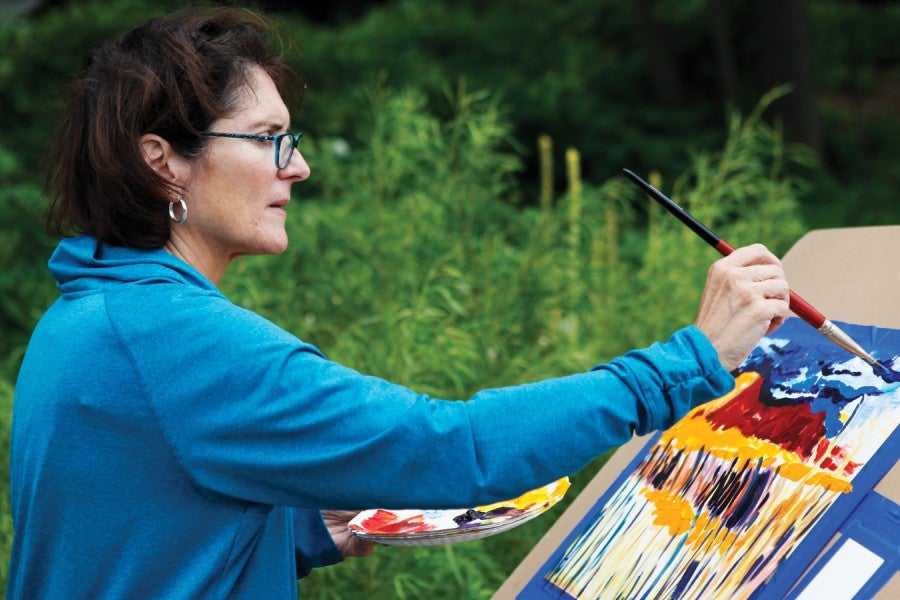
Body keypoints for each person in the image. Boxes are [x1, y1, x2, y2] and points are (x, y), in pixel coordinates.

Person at [7, 6, 790, 599]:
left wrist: (305, 530)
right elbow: (459, 450)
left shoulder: (86, 315)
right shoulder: (176, 337)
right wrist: (685, 363)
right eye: (269, 137)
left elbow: (134, 542)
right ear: (164, 162)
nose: (299, 167)